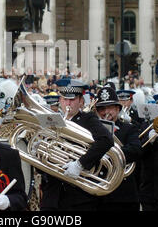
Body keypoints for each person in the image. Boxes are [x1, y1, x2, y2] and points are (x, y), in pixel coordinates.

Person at [39, 78, 114, 211]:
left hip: (78, 198)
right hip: (52, 197)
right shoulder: (52, 120)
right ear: (60, 100)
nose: (68, 103)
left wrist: (80, 164)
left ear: (81, 101)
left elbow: (106, 140)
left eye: (72, 100)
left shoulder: (88, 119)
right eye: (64, 99)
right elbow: (43, 165)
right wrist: (38, 152)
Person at [94, 85, 142, 211]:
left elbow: (136, 150)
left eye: (110, 107)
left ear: (117, 108)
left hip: (123, 195)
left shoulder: (128, 128)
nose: (106, 112)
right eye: (101, 109)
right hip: (97, 194)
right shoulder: (91, 130)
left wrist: (109, 154)